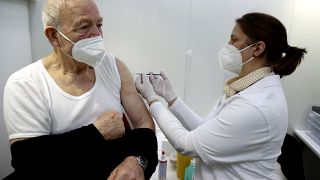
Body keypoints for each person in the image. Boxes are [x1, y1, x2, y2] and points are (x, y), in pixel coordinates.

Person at [135, 12, 306, 180]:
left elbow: (185, 144)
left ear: (258, 48)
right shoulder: (245, 88)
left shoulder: (256, 105)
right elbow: (203, 128)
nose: (228, 45)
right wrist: (171, 98)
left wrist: (152, 99)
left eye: (234, 39)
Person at [3, 0, 158, 179]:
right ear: (54, 36)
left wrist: (138, 161)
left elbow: (143, 123)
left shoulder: (112, 66)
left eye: (99, 25)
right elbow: (29, 162)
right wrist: (96, 133)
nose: (97, 35)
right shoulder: (26, 84)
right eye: (84, 26)